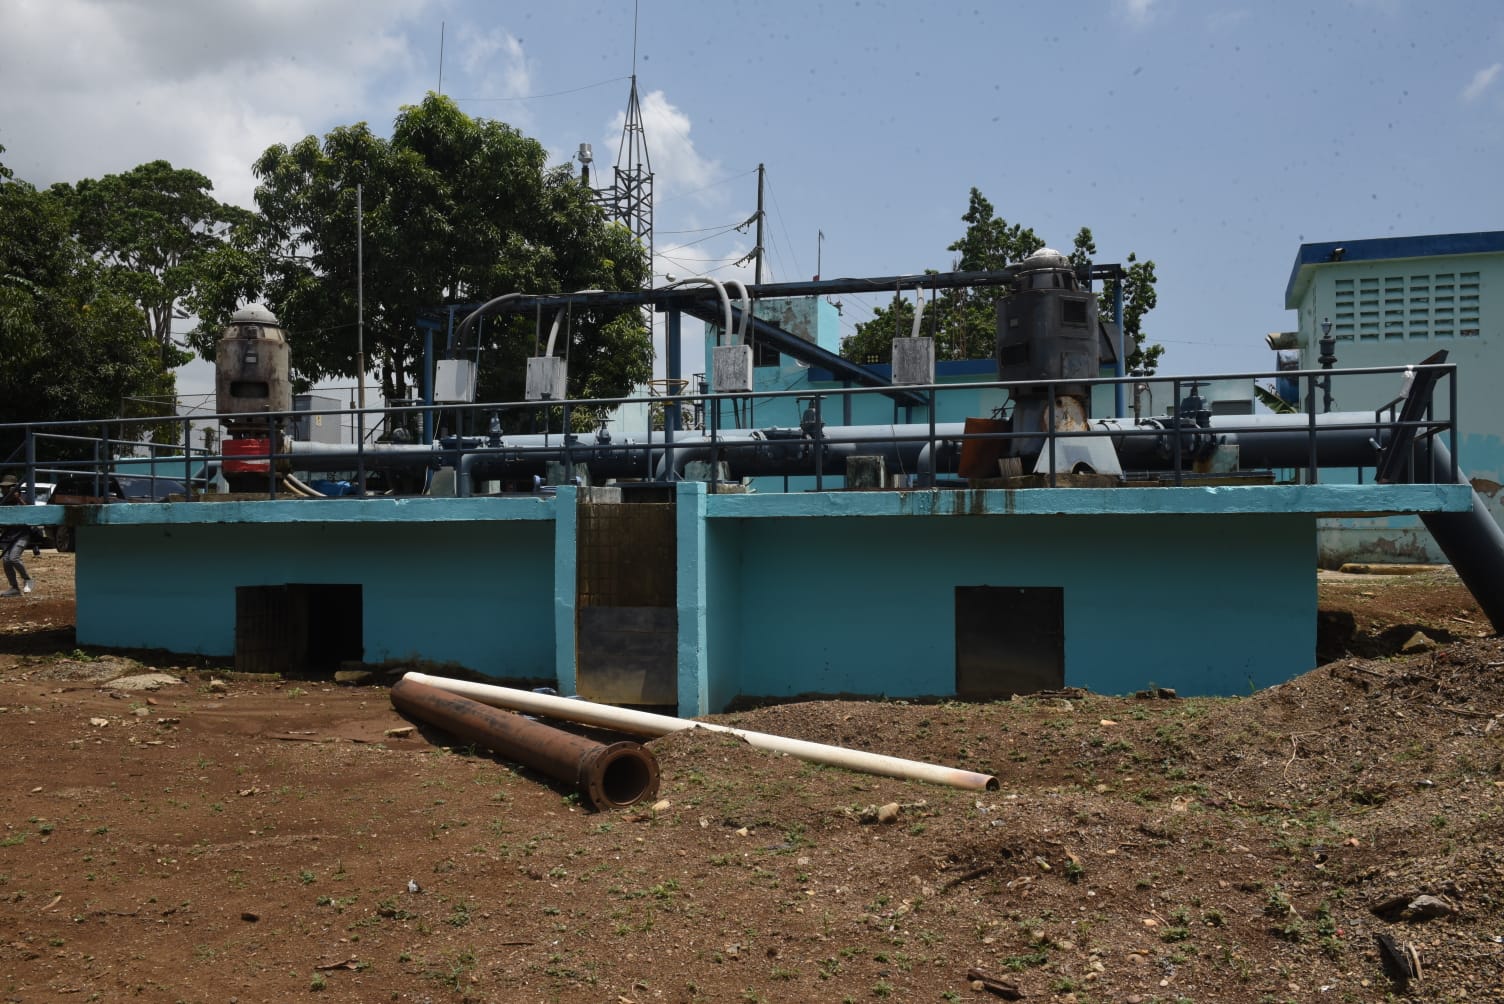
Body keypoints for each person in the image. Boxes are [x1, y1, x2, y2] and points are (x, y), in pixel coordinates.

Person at [1, 475, 37, 597]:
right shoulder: (2, 501)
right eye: (3, 488)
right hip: (7, 534)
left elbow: (31, 513)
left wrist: (18, 499)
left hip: (22, 534)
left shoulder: (24, 498)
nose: (4, 490)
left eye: (7, 488)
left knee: (14, 558)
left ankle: (28, 579)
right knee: (6, 561)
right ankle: (14, 588)